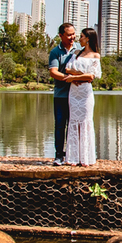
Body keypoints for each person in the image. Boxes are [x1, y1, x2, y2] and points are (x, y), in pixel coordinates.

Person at [64, 28, 101, 166]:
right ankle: (73, 157)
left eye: (81, 36)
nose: (79, 39)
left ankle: (86, 158)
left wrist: (75, 77)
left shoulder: (95, 56)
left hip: (85, 93)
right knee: (74, 121)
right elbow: (67, 69)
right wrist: (80, 76)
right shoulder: (76, 53)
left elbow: (91, 76)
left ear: (88, 39)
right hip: (74, 93)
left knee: (85, 122)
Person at [48, 23, 79, 165]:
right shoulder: (55, 52)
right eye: (69, 34)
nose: (72, 37)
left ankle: (74, 155)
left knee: (75, 126)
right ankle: (59, 155)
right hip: (61, 95)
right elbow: (53, 72)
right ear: (60, 36)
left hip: (77, 96)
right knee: (60, 125)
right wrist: (69, 79)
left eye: (73, 34)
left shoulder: (79, 50)